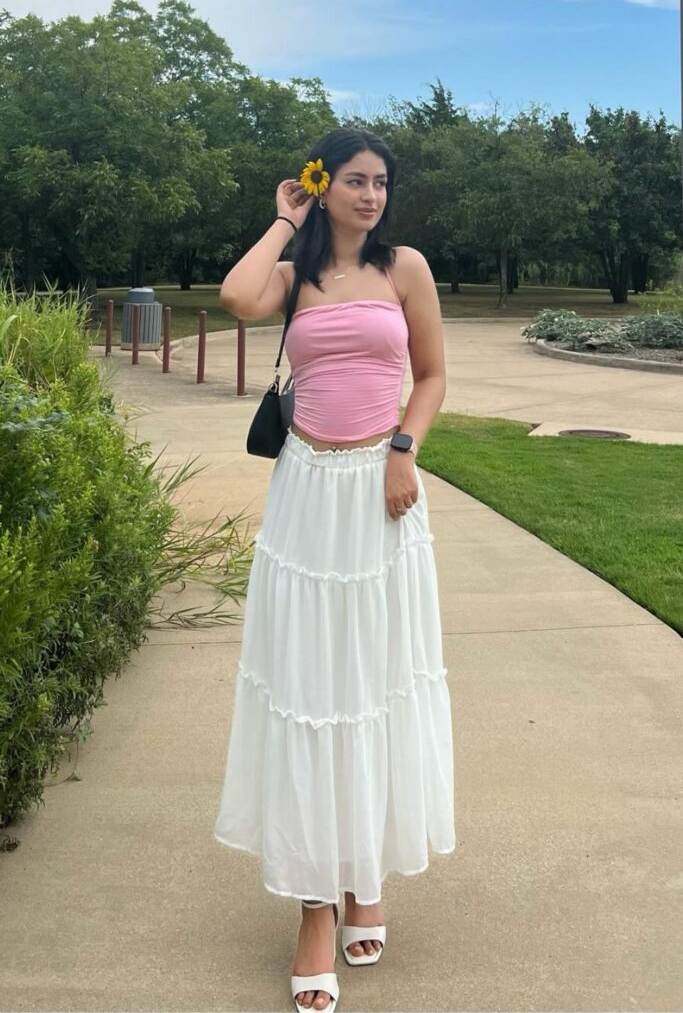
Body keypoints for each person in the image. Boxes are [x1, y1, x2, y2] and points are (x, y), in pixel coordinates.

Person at [213, 127, 456, 1013]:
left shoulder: (406, 269)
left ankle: (367, 878)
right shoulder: (298, 273)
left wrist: (403, 450)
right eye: (352, 181)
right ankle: (316, 908)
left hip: (381, 495)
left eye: (380, 182)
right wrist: (285, 220)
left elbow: (429, 377)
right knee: (312, 691)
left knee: (376, 684)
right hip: (306, 497)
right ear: (323, 185)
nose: (369, 196)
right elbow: (239, 299)